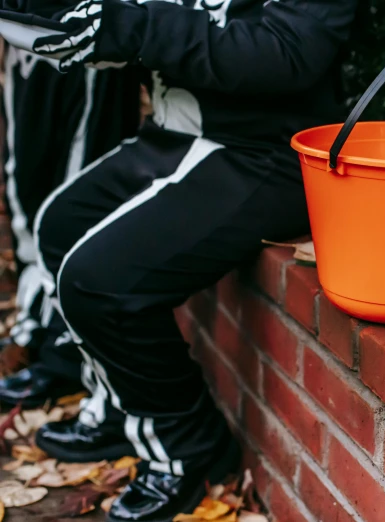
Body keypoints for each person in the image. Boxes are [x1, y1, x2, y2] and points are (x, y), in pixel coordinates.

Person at [0, 0, 359, 519]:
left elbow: (291, 52)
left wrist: (131, 27)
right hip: (175, 133)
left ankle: (187, 449)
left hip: (262, 152)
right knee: (60, 223)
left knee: (98, 282)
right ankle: (121, 411)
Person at [0, 38, 141, 406]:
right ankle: (34, 322)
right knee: (25, 175)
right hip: (26, 28)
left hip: (85, 32)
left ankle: (64, 347)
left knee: (74, 186)